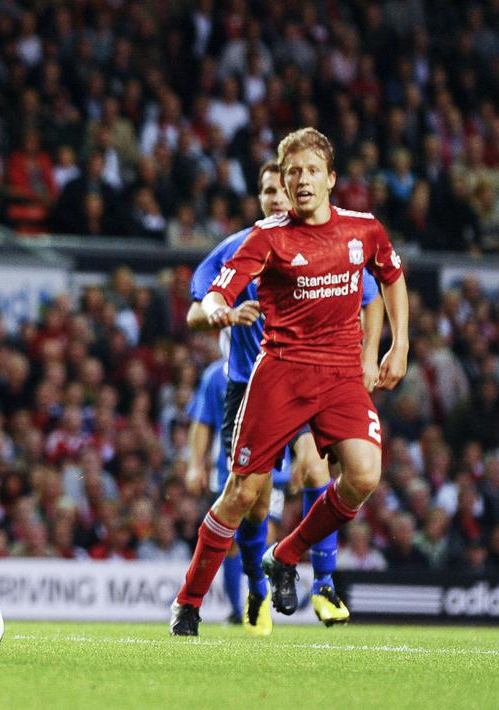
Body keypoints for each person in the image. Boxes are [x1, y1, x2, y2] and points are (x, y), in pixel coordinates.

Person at [171, 127, 408, 636]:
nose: (301, 181)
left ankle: (291, 557)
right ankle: (189, 602)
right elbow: (218, 290)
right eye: (292, 172)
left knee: (363, 475)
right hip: (280, 373)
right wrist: (217, 312)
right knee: (242, 493)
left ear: (331, 179)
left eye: (311, 171)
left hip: (342, 374)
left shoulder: (363, 230)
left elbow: (390, 276)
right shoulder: (267, 237)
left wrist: (398, 345)